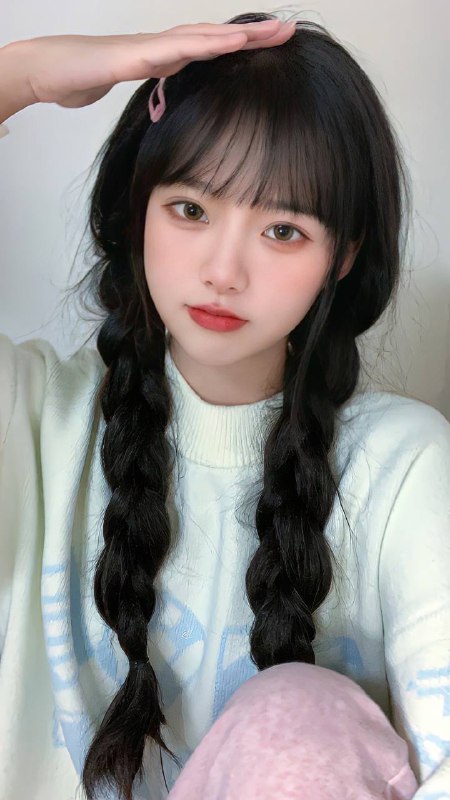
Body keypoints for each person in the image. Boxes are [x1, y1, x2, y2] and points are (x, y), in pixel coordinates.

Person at [0, 11, 449, 800]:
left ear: (343, 256)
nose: (223, 271)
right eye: (191, 210)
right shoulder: (32, 415)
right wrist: (23, 74)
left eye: (283, 230)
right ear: (138, 208)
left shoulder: (405, 467)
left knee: (298, 711)